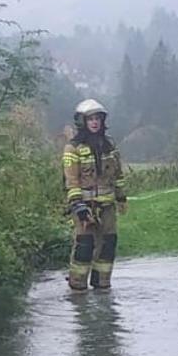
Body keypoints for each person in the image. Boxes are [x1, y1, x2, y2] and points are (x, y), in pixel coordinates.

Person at [62, 99, 128, 291]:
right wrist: (79, 207)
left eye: (98, 119)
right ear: (82, 121)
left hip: (107, 207)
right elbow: (71, 181)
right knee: (85, 245)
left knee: (108, 244)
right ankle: (77, 287)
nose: (95, 122)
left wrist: (121, 197)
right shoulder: (73, 148)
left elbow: (118, 174)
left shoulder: (109, 145)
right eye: (90, 119)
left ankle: (102, 284)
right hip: (85, 207)